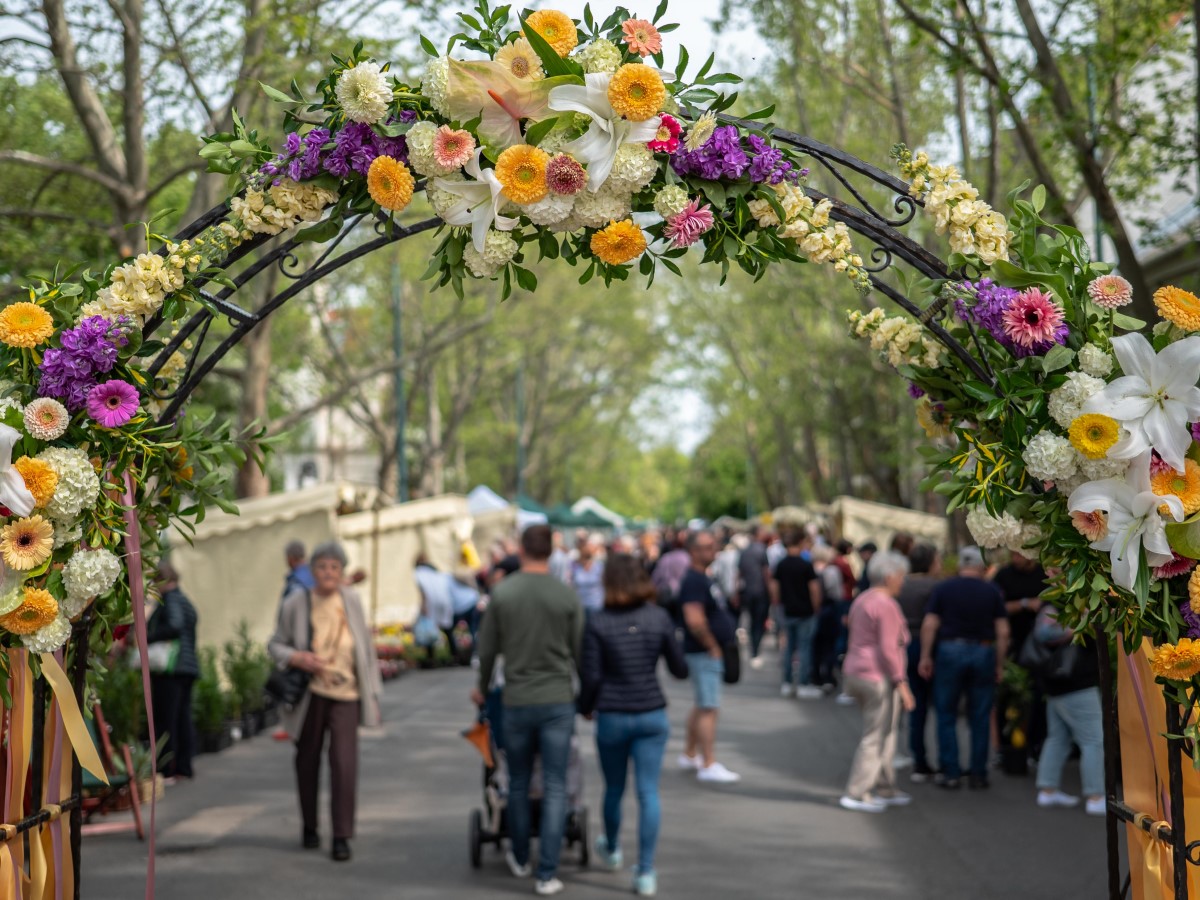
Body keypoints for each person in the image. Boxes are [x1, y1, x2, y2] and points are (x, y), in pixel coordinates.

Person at [472, 525, 584, 897]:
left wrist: (483, 686)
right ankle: (547, 871)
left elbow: (487, 650)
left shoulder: (503, 593)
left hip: (517, 699)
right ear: (552, 551)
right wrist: (584, 694)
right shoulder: (566, 596)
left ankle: (520, 855)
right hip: (556, 699)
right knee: (554, 784)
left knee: (517, 781)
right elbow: (579, 650)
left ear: (521, 550)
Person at [579, 554, 689, 897]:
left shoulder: (597, 621)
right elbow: (679, 669)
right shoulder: (658, 617)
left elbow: (592, 676)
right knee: (648, 792)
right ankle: (645, 872)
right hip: (651, 713)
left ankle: (612, 848)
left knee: (614, 789)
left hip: (612, 714)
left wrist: (585, 707)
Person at [269, 542, 383, 862]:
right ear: (312, 570)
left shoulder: (352, 600)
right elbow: (275, 644)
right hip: (310, 695)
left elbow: (365, 648)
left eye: (335, 567)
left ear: (342, 571)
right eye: (322, 567)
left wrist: (373, 693)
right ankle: (309, 825)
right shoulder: (296, 602)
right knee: (307, 761)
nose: (329, 573)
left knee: (344, 765)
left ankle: (341, 836)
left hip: (347, 693)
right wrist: (298, 657)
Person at [918, 546, 1010, 790]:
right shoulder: (992, 591)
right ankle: (978, 774)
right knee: (979, 715)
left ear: (960, 565)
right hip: (982, 651)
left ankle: (951, 772)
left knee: (946, 712)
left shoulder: (944, 588)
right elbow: (1003, 631)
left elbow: (929, 624)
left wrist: (926, 656)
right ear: (982, 567)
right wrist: (999, 664)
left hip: (950, 651)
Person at [839, 551, 916, 812]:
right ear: (890, 576)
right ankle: (857, 792)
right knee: (876, 735)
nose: (903, 582)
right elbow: (888, 648)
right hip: (877, 676)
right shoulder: (886, 604)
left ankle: (884, 786)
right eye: (901, 576)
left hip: (857, 671)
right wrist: (902, 683)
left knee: (884, 732)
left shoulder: (863, 599)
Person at [677, 531, 740, 783]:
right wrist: (712, 645)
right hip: (703, 651)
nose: (712, 550)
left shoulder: (703, 577)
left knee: (702, 704)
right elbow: (694, 619)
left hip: (705, 650)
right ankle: (708, 762)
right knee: (709, 707)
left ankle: (691, 753)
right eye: (706, 547)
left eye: (713, 546)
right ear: (693, 551)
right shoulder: (693, 580)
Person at [1031, 609, 1105, 816]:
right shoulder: (1069, 602)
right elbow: (1044, 634)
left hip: (1058, 682)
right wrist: (1082, 624)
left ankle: (1048, 789)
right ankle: (1096, 796)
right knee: (1094, 740)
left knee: (1058, 738)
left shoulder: (1056, 600)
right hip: (1077, 683)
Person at [146, 561, 200, 781]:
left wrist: (147, 638)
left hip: (171, 668)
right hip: (187, 667)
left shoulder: (170, 600)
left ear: (162, 580)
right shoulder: (185, 600)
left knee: (167, 720)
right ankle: (184, 767)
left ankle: (168, 769)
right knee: (182, 718)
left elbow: (174, 625)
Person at [895, 543, 941, 782]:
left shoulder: (901, 584)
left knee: (914, 706)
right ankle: (942, 762)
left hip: (902, 647)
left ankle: (918, 760)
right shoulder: (937, 587)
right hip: (929, 647)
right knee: (940, 706)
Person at [772, 530, 822, 699]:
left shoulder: (781, 564)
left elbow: (775, 588)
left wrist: (779, 603)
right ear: (800, 543)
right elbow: (814, 589)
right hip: (805, 611)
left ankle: (786, 683)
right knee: (804, 648)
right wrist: (816, 607)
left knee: (788, 647)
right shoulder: (805, 565)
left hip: (787, 610)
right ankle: (803, 683)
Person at [811, 544, 845, 690]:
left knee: (815, 645)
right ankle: (828, 676)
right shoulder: (832, 571)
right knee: (829, 645)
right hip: (830, 610)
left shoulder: (810, 568)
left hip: (813, 612)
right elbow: (837, 593)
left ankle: (815, 674)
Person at [737, 527, 771, 668]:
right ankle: (755, 650)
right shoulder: (762, 550)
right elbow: (766, 573)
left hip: (748, 591)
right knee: (758, 622)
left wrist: (736, 591)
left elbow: (739, 574)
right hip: (760, 592)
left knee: (752, 621)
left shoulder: (744, 552)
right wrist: (772, 591)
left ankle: (753, 649)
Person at [414, 553, 455, 660]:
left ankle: (431, 657)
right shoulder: (436, 572)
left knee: (430, 630)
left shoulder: (418, 573)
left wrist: (423, 606)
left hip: (431, 603)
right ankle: (454, 654)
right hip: (444, 601)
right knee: (447, 629)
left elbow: (423, 591)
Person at [570, 533, 606, 614]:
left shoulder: (599, 566)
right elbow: (571, 585)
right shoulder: (574, 567)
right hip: (581, 606)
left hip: (597, 606)